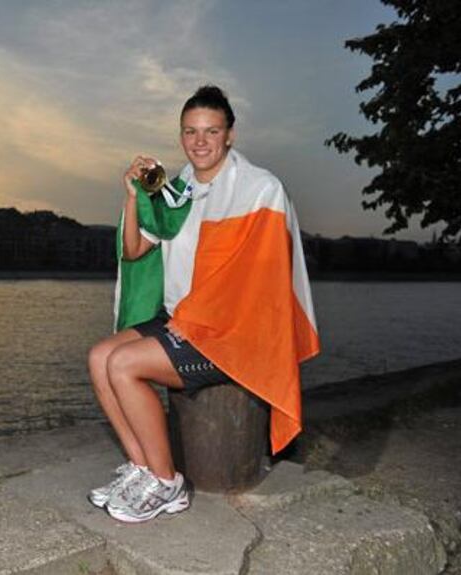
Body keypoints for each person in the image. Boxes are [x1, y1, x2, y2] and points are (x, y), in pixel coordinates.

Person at [87, 85, 320, 524]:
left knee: (124, 366)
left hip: (232, 331)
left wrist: (198, 317)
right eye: (190, 131)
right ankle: (142, 470)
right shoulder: (177, 191)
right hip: (182, 320)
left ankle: (166, 482)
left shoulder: (259, 188)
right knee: (100, 357)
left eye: (211, 131)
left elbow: (260, 274)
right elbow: (136, 251)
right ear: (180, 136)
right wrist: (134, 197)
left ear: (230, 135)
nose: (199, 142)